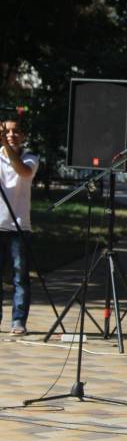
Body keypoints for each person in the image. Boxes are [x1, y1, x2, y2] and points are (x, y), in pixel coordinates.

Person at [0, 117, 38, 336]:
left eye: (16, 132)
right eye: (7, 132)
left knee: (20, 277)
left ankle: (18, 321)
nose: (11, 135)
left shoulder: (30, 157)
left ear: (23, 136)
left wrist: (5, 145)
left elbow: (23, 172)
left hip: (19, 226)